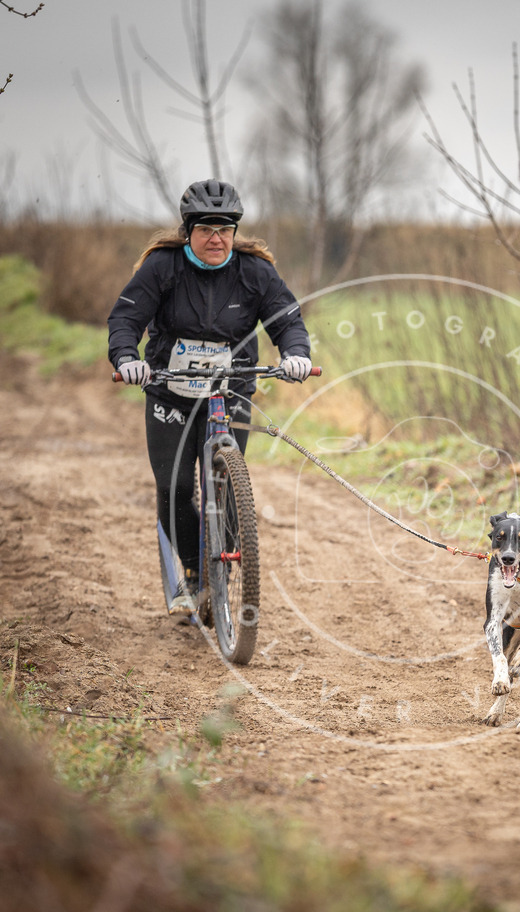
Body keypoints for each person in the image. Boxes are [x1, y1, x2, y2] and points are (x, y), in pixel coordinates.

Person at [108, 178, 312, 614]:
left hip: (230, 388)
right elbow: (126, 318)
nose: (216, 238)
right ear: (188, 231)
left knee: (227, 482)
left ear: (235, 232)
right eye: (205, 229)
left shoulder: (255, 272)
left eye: (225, 229)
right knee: (176, 487)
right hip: (171, 393)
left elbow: (288, 320)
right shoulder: (162, 268)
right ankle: (196, 572)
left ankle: (224, 574)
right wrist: (127, 356)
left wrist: (295, 354)